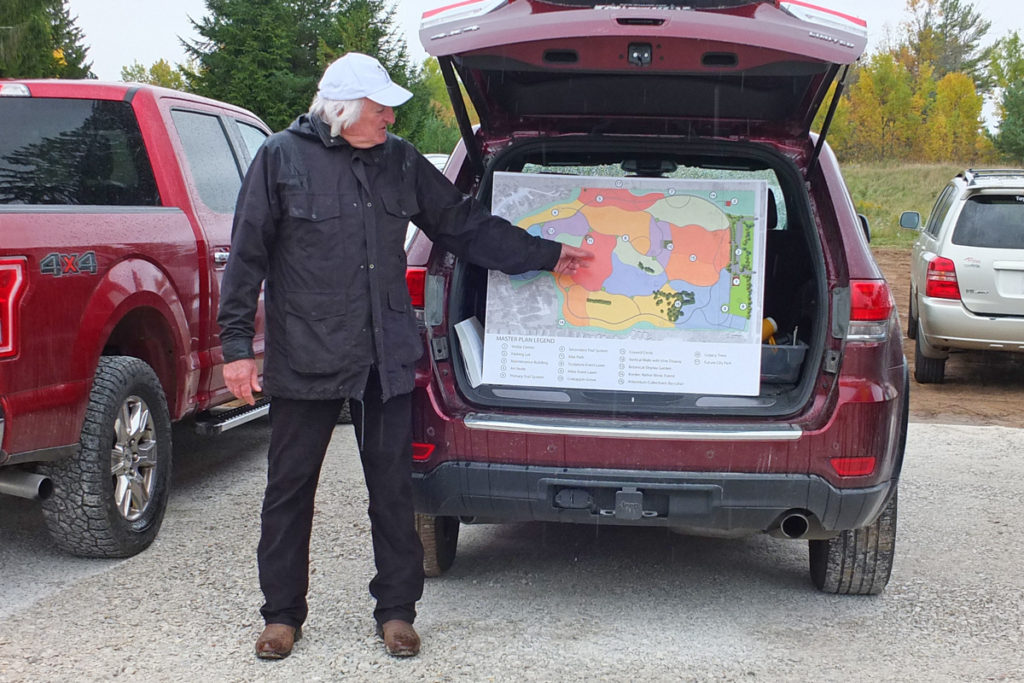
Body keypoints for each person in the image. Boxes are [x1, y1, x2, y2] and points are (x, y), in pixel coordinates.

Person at [217, 52, 592, 660]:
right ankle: (282, 615)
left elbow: (463, 225)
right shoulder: (280, 158)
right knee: (289, 489)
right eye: (379, 106)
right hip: (305, 350)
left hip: (382, 354)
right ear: (341, 111)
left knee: (392, 488)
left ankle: (396, 611)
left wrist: (547, 255)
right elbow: (247, 257)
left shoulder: (400, 160)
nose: (391, 114)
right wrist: (236, 348)